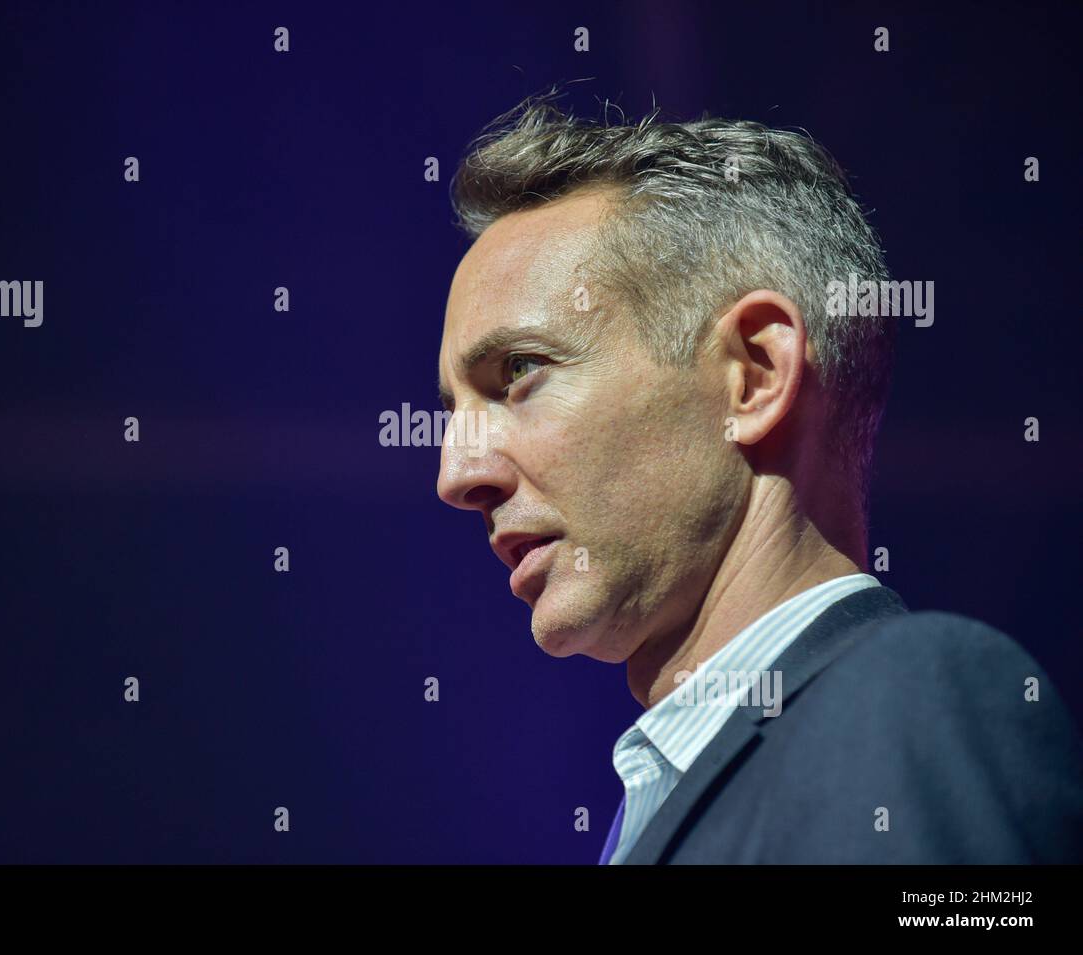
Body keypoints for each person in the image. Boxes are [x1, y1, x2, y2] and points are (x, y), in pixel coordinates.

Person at [433, 93, 1083, 863]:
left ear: (755, 373)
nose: (456, 471)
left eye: (519, 371)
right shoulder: (691, 784)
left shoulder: (908, 701)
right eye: (450, 409)